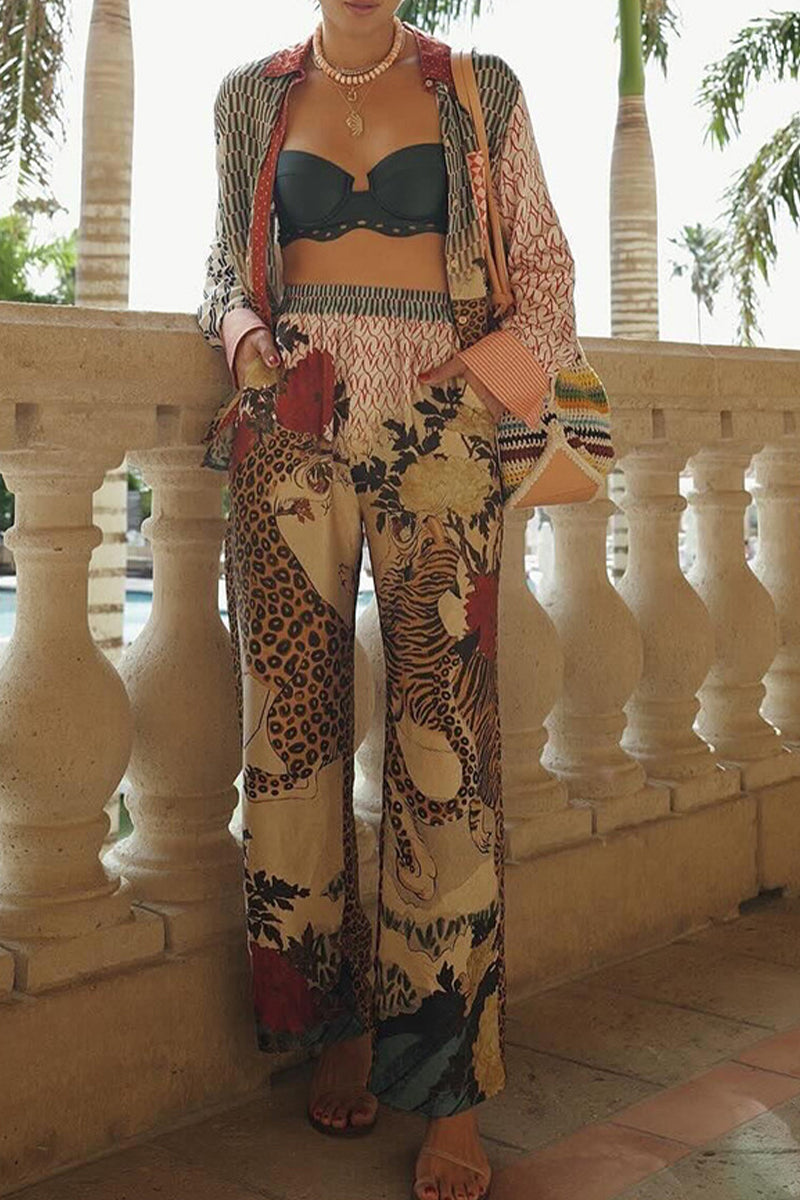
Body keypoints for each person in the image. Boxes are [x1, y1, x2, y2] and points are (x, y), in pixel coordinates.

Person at [197, 5, 611, 1198]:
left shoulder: (477, 87)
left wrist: (465, 394)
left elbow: (545, 281)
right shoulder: (250, 96)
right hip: (291, 429)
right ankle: (334, 1025)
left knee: (445, 757)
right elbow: (221, 268)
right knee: (290, 747)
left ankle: (449, 1088)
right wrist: (247, 344)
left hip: (440, 433)